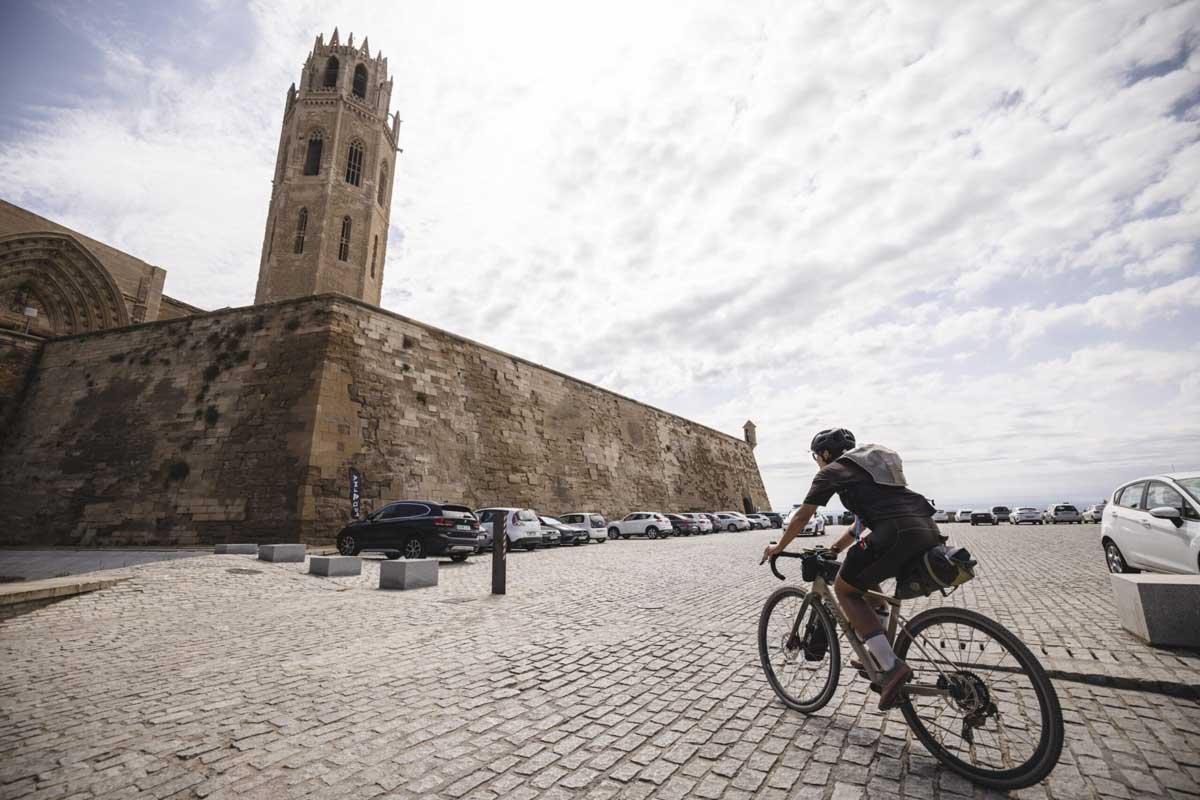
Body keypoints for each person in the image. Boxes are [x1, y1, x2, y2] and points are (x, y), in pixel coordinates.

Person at [761, 428, 942, 710]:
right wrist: (835, 549)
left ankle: (891, 666)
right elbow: (859, 524)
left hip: (893, 532)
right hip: (925, 528)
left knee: (845, 590)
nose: (817, 461)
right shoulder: (867, 470)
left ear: (823, 453)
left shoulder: (831, 471)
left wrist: (778, 546)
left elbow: (802, 516)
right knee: (867, 583)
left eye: (815, 456)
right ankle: (876, 652)